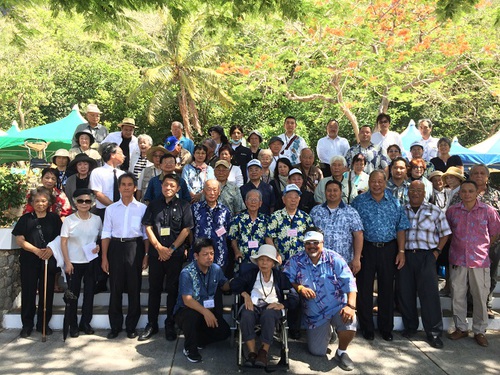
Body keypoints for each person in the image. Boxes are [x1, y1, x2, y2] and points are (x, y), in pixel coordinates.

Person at [283, 228, 358, 371]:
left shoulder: (334, 258)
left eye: (315, 242)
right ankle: (329, 331)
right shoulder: (295, 260)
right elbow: (286, 278)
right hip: (315, 314)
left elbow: (350, 283)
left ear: (322, 243)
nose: (312, 246)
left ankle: (342, 352)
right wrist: (300, 288)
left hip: (337, 307)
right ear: (304, 244)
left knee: (350, 320)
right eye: (308, 243)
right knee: (317, 352)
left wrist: (351, 306)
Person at [351, 170, 410, 341]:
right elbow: (354, 229)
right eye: (373, 181)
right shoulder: (359, 201)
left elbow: (401, 228)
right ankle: (367, 327)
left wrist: (401, 252)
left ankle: (386, 328)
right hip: (366, 249)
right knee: (364, 289)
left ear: (385, 182)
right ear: (368, 182)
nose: (376, 184)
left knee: (386, 289)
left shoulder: (394, 202)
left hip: (388, 249)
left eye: (380, 181)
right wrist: (356, 253)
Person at [139, 173, 194, 342]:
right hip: (157, 255)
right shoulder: (154, 205)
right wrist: (158, 247)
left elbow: (186, 229)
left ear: (178, 188)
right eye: (165, 185)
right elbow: (147, 226)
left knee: (173, 291)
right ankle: (152, 324)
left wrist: (170, 249)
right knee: (154, 290)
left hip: (175, 255)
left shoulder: (184, 205)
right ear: (161, 186)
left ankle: (170, 324)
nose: (168, 188)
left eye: (172, 186)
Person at [446, 180, 500, 347]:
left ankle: (479, 330)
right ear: (459, 193)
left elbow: (495, 233)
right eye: (464, 191)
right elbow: (446, 232)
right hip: (458, 259)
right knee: (458, 295)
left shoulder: (488, 211)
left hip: (480, 260)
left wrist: (482, 247)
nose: (467, 194)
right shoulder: (452, 211)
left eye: (470, 191)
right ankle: (461, 328)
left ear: (477, 192)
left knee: (480, 297)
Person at [398, 180, 451, 348]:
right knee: (405, 293)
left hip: (427, 256)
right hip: (405, 256)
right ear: (408, 192)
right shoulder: (401, 210)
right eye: (412, 189)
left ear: (425, 192)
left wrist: (437, 252)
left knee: (429, 295)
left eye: (419, 190)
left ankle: (434, 333)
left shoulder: (435, 210)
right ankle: (411, 327)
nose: (415, 193)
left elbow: (445, 233)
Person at [230, 244, 298, 368]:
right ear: (257, 262)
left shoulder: (280, 277)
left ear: (273, 263)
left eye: (268, 260)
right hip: (254, 305)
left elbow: (294, 297)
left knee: (269, 314)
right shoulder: (252, 274)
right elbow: (234, 283)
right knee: (246, 313)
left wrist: (282, 304)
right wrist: (245, 294)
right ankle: (252, 353)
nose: (264, 263)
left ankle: (263, 352)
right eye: (261, 259)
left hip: (272, 308)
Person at [101, 172, 149, 339]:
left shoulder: (143, 209)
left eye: (130, 184)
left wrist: (146, 255)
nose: (127, 187)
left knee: (134, 288)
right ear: (119, 187)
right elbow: (106, 233)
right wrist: (104, 257)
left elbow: (145, 235)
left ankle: (131, 326)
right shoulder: (111, 209)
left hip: (135, 247)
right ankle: (115, 326)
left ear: (135, 187)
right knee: (115, 288)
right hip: (115, 247)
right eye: (123, 184)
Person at [13, 187, 62, 338]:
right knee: (28, 292)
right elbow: (19, 240)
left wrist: (50, 250)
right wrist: (36, 250)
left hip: (48, 259)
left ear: (49, 203)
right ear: (32, 203)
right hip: (30, 260)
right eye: (37, 201)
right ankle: (27, 325)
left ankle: (43, 324)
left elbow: (61, 237)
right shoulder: (26, 219)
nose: (40, 204)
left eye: (43, 201)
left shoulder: (54, 218)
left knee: (46, 292)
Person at [174, 237, 231, 363]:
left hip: (206, 310)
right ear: (196, 255)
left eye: (211, 254)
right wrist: (206, 312)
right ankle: (190, 349)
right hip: (187, 311)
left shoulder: (216, 269)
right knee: (192, 315)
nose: (209, 257)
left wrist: (235, 284)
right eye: (205, 254)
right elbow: (187, 300)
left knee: (224, 332)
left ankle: (198, 340)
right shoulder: (187, 272)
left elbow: (224, 284)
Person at [60, 188, 102, 337]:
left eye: (87, 201)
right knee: (73, 296)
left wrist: (98, 247)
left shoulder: (97, 219)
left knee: (89, 294)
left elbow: (98, 238)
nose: (84, 203)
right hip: (74, 263)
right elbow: (63, 242)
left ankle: (85, 323)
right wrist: (67, 262)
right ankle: (73, 325)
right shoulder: (69, 220)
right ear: (75, 203)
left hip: (90, 262)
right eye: (80, 201)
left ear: (92, 202)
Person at [310, 180, 363, 274]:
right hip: (320, 262)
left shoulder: (351, 212)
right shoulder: (316, 211)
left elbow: (358, 235)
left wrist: (357, 258)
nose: (332, 193)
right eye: (329, 190)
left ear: (340, 192)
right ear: (325, 192)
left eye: (335, 190)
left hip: (343, 262)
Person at [266, 184, 313, 263]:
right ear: (283, 199)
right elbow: (268, 237)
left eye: (296, 197)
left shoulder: (305, 217)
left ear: (299, 199)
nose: (293, 200)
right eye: (290, 197)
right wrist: (275, 254)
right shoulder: (275, 216)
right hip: (281, 260)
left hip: (302, 261)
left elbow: (311, 237)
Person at [192, 179, 232, 270]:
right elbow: (190, 230)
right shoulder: (195, 208)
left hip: (219, 253)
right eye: (209, 189)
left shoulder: (225, 210)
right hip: (199, 253)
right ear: (204, 191)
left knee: (218, 281)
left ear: (219, 192)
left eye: (214, 190)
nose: (212, 193)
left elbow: (228, 230)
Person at [229, 189, 271, 263]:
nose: (253, 202)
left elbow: (269, 239)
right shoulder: (237, 219)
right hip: (242, 259)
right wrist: (236, 252)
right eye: (250, 199)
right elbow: (233, 239)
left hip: (261, 260)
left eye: (256, 200)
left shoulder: (266, 220)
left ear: (260, 203)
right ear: (246, 202)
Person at [89, 143, 126, 221]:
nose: (124, 156)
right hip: (103, 211)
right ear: (112, 155)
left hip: (122, 211)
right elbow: (98, 194)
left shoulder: (122, 174)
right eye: (120, 153)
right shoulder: (97, 172)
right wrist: (114, 207)